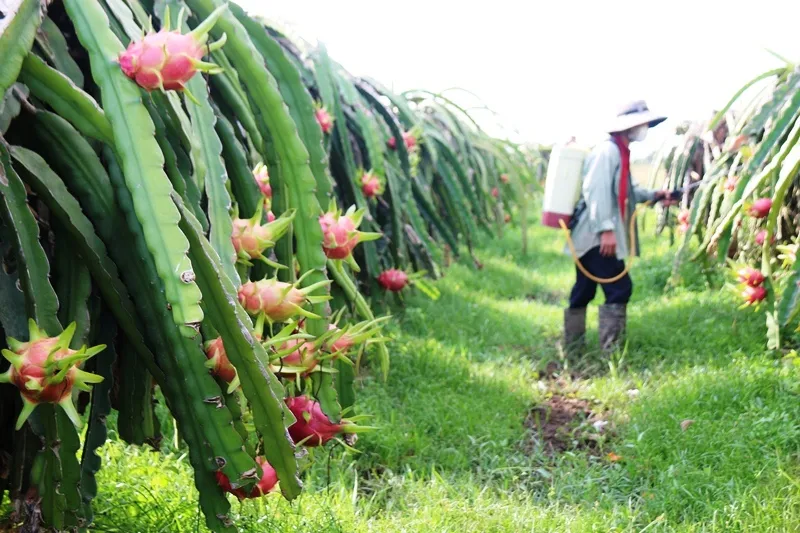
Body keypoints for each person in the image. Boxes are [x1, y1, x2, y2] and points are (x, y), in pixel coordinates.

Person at [562, 100, 677, 356]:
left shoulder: (620, 151)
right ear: (630, 126)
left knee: (584, 288)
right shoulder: (608, 151)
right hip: (595, 235)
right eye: (642, 123)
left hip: (591, 234)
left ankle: (572, 349)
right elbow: (596, 190)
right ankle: (610, 353)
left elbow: (629, 190)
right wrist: (606, 230)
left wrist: (656, 195)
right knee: (619, 287)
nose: (645, 128)